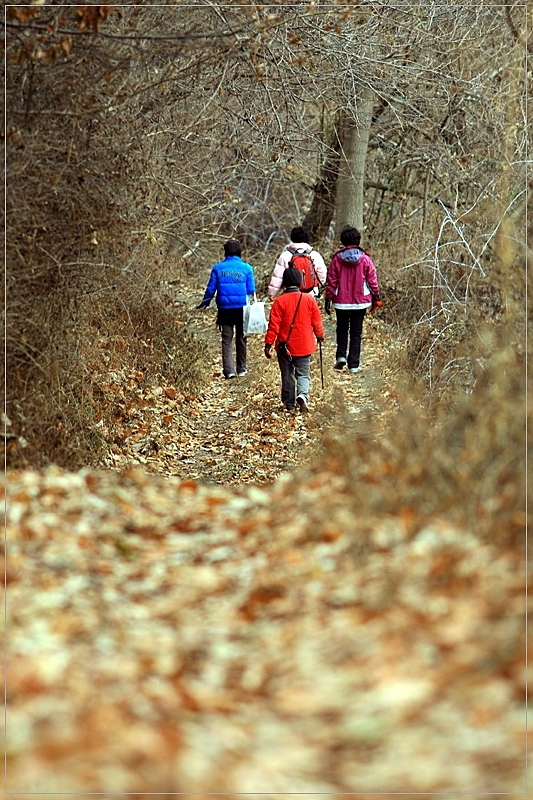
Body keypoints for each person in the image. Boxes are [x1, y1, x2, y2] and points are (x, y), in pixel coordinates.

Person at [264, 266, 324, 413]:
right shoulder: (309, 300)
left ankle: (289, 404)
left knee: (287, 375)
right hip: (304, 345)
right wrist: (320, 336)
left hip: (285, 347)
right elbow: (316, 322)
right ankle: (303, 396)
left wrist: (268, 344)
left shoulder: (279, 302)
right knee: (303, 374)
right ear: (300, 281)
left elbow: (273, 326)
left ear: (284, 282)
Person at [325, 226, 381, 374]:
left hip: (341, 301)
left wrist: (328, 298)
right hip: (360, 301)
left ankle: (341, 355)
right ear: (358, 241)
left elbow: (331, 281)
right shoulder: (365, 259)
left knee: (342, 329)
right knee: (356, 332)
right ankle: (354, 365)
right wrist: (376, 295)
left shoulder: (337, 259)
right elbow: (372, 280)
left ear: (343, 241)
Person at [197, 239, 256, 379]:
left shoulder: (218, 268)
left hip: (224, 308)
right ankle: (241, 369)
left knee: (226, 339)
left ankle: (229, 370)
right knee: (241, 338)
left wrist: (205, 302)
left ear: (226, 252)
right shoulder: (247, 268)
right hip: (242, 308)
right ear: (240, 252)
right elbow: (251, 289)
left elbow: (211, 288)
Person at [267, 226, 327, 300]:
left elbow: (278, 277)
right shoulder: (314, 255)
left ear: (292, 238)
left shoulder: (286, 255)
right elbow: (322, 275)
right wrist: (315, 286)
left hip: (290, 294)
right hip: (311, 294)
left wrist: (272, 293)